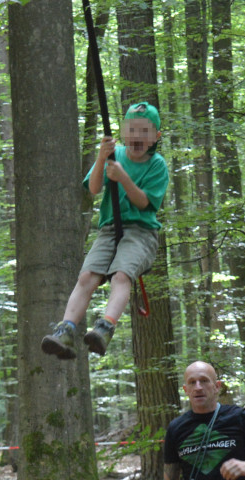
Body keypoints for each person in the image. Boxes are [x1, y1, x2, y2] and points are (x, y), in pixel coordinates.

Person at [41, 101, 169, 360]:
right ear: (123, 131)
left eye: (145, 131)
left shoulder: (157, 165)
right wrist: (101, 159)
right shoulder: (114, 155)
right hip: (109, 229)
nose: (137, 136)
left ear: (156, 137)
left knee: (121, 276)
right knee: (87, 276)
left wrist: (123, 177)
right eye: (132, 129)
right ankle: (66, 329)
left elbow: (144, 202)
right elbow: (94, 188)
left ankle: (105, 326)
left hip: (140, 232)